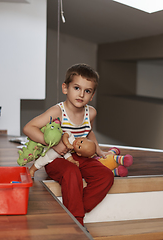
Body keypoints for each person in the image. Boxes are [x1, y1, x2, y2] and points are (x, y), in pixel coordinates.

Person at [23, 63, 114, 226]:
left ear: (92, 95)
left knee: (106, 176)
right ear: (65, 88)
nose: (81, 94)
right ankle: (77, 222)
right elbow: (28, 128)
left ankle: (74, 209)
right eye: (77, 88)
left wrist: (100, 151)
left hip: (80, 156)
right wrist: (54, 144)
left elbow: (89, 133)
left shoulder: (91, 112)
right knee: (72, 172)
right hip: (56, 159)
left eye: (87, 91)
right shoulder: (58, 111)